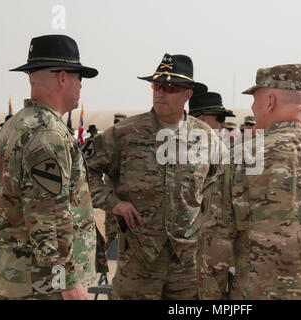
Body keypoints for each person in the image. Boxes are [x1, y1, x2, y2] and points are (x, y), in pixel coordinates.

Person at [197, 64, 301, 300]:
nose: (253, 108)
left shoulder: (240, 159)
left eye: (255, 101)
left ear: (270, 102)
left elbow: (214, 243)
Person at [85, 53, 216, 300]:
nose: (161, 93)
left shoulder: (206, 137)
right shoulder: (123, 133)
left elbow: (221, 185)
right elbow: (81, 171)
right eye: (157, 85)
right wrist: (114, 203)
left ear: (187, 94)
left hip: (187, 263)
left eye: (170, 87)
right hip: (138, 261)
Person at [0, 34, 98, 300]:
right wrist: (67, 281)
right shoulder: (47, 133)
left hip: (19, 276)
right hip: (44, 284)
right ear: (63, 78)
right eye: (79, 77)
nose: (81, 86)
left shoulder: (16, 125)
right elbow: (47, 215)